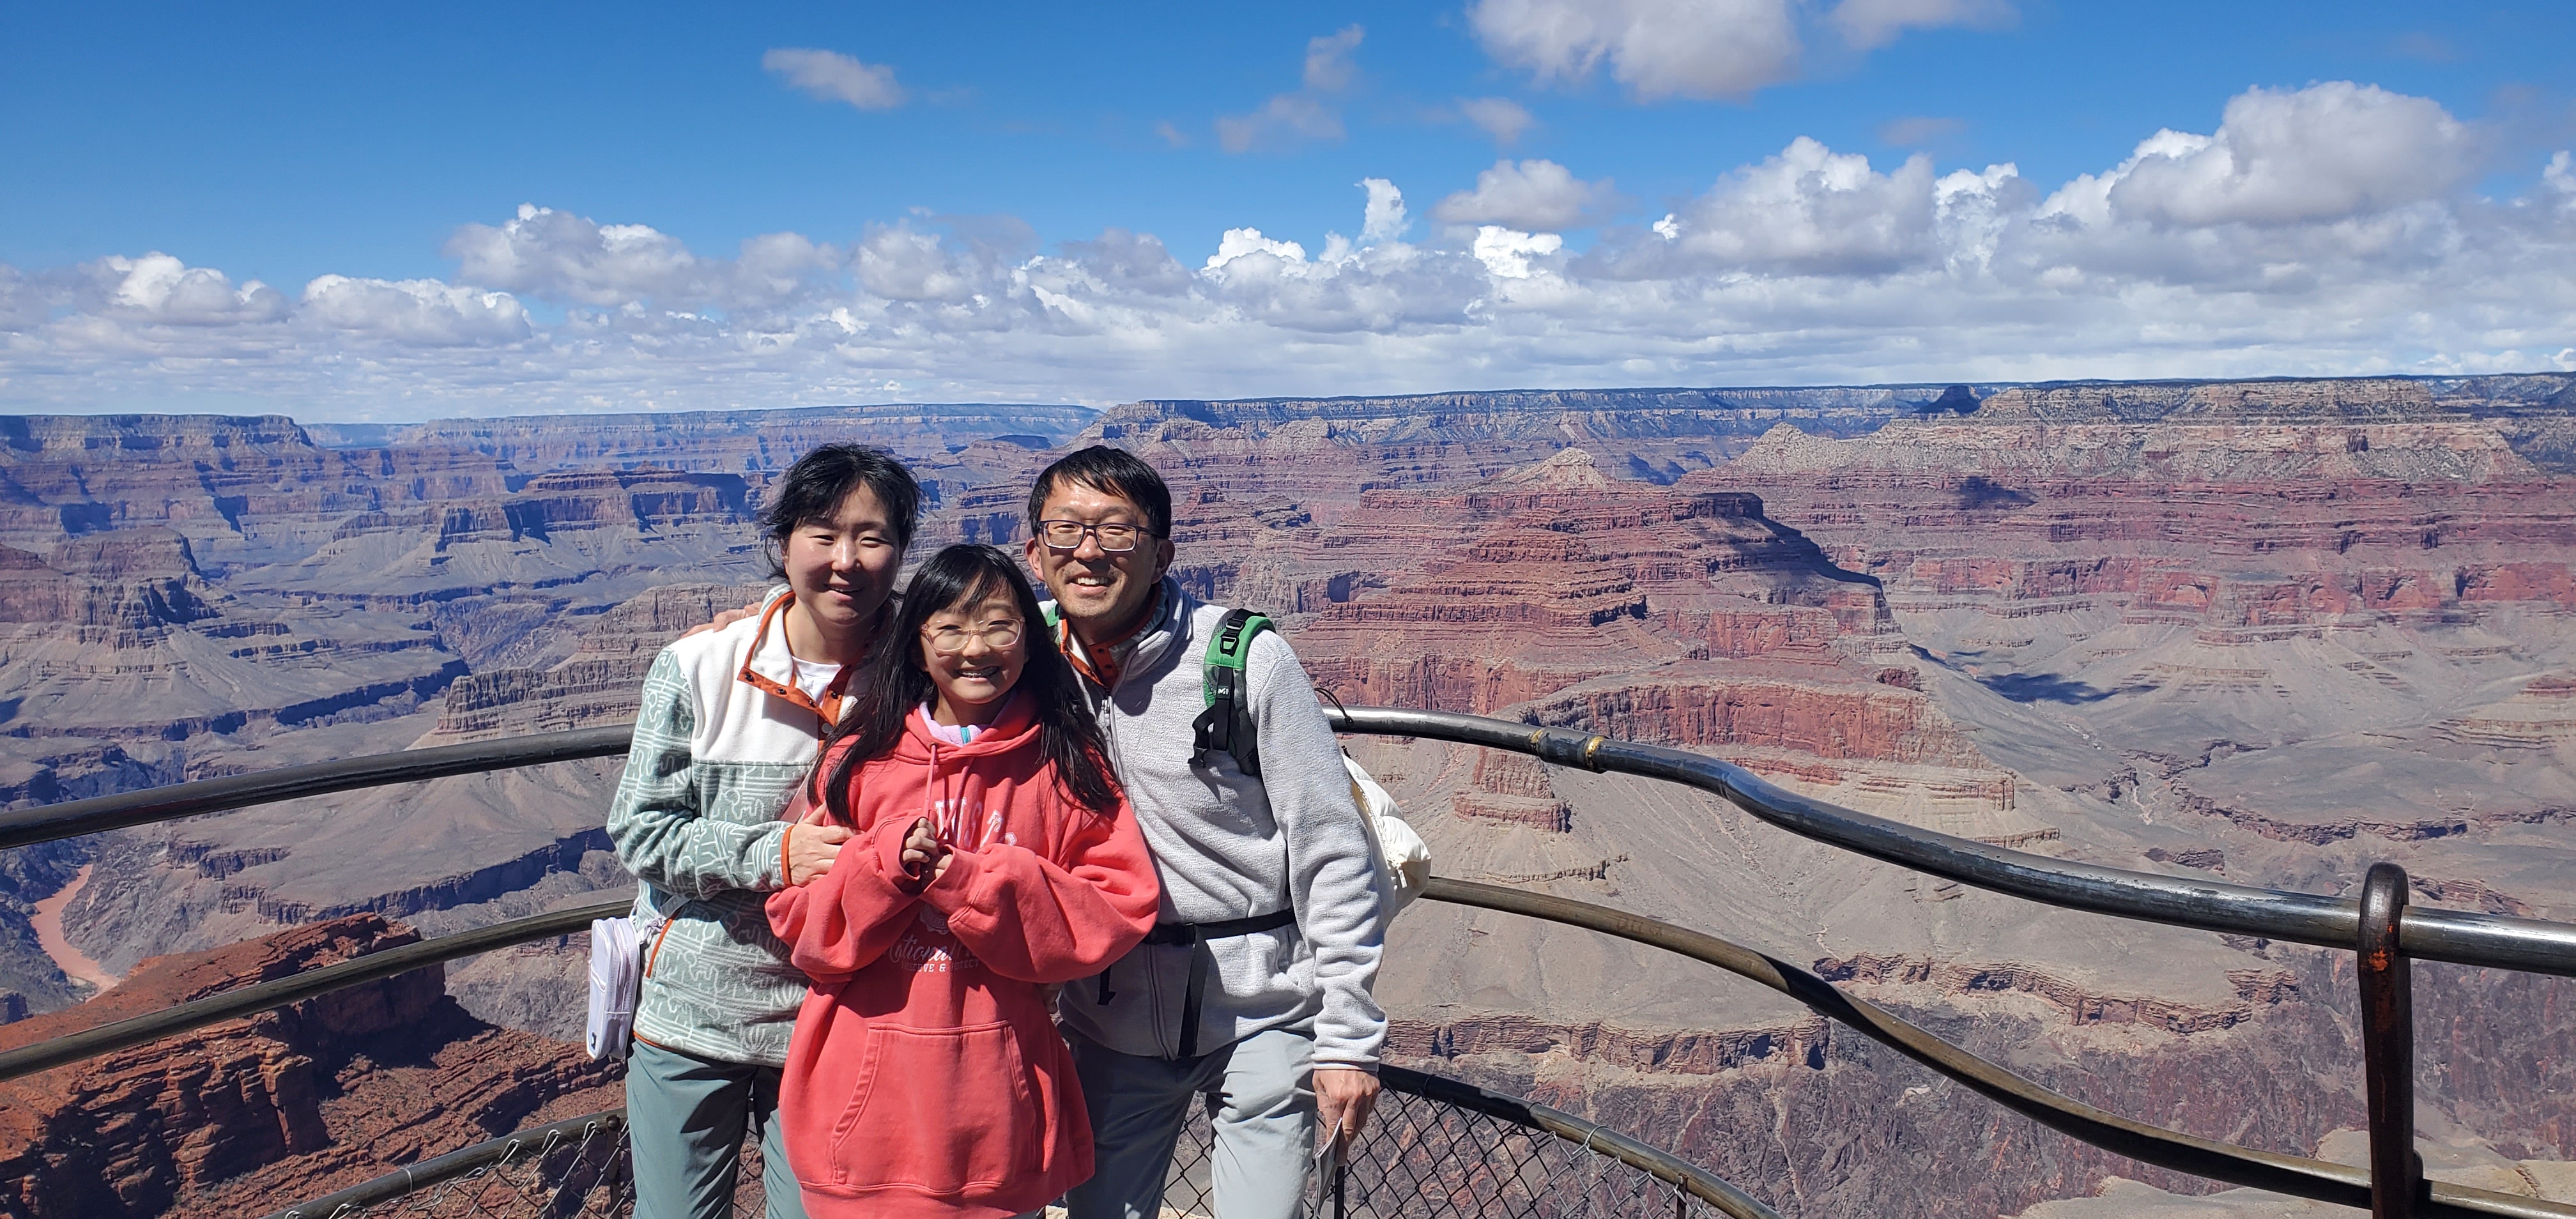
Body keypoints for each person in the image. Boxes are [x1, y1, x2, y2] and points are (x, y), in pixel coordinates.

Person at [1027, 447, 1388, 1219]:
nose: (1088, 551)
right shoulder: (1022, 662)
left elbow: (1331, 849)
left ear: (1162, 555)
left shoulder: (1246, 661)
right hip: (1109, 1020)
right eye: (1066, 529)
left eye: (1116, 530)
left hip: (1264, 1015)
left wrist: (1348, 1036)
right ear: (1035, 551)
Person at [766, 544, 1161, 1218]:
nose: (975, 648)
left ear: (1028, 641)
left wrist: (969, 881)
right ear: (918, 648)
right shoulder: (860, 761)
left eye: (998, 626)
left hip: (997, 1123)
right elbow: (801, 925)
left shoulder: (1064, 766)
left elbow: (1116, 909)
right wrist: (880, 869)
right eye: (950, 628)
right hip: (861, 1125)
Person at [607, 444, 921, 1219]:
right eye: (823, 534)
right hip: (692, 1018)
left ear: (901, 551)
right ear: (783, 545)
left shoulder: (927, 673)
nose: (846, 560)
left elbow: (1025, 626)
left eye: (872, 537)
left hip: (838, 1023)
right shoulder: (698, 666)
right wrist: (775, 855)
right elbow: (641, 832)